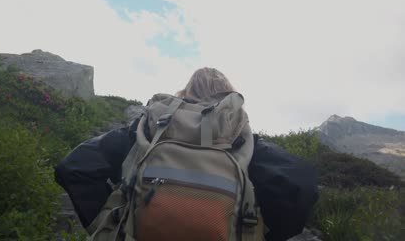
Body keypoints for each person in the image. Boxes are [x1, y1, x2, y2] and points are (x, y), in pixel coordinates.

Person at [55, 67, 318, 241]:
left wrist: (109, 225)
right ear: (227, 98)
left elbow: (74, 167)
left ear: (185, 93)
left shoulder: (148, 129)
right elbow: (301, 186)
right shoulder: (241, 140)